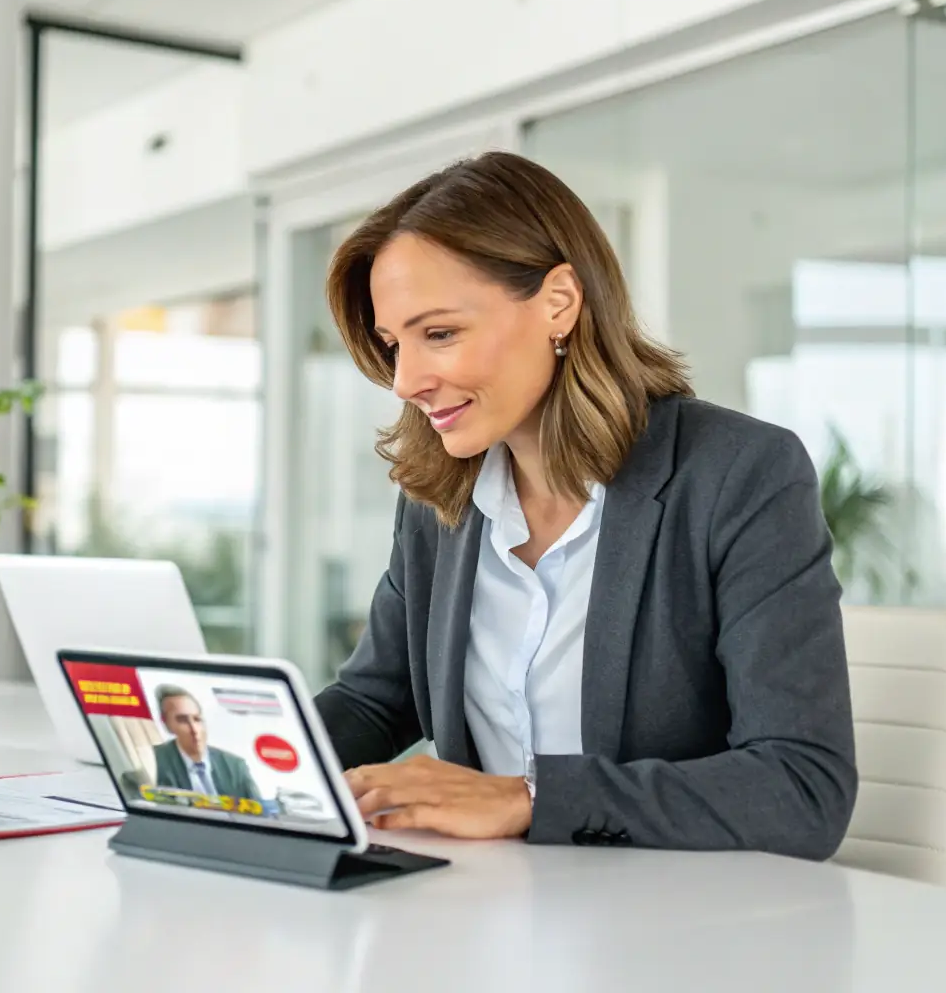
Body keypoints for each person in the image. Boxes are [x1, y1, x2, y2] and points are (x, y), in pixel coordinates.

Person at [313, 151, 857, 861]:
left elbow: (800, 785)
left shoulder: (737, 475)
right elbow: (373, 703)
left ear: (558, 303)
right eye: (393, 344)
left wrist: (528, 800)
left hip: (671, 929)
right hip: (481, 913)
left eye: (439, 333)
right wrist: (221, 763)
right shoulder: (439, 501)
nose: (407, 380)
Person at [151, 685, 261, 802]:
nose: (194, 730)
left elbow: (260, 812)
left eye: (197, 719)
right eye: (183, 720)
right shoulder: (154, 760)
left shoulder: (235, 766)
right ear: (166, 723)